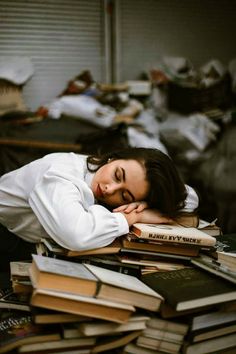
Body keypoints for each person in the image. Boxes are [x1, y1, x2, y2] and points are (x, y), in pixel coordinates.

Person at [0, 147, 199, 270]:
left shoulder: (101, 170)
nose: (108, 189)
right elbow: (77, 235)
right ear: (113, 158)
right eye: (117, 175)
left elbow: (190, 198)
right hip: (7, 239)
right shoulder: (60, 175)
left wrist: (146, 202)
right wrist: (133, 217)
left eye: (124, 195)